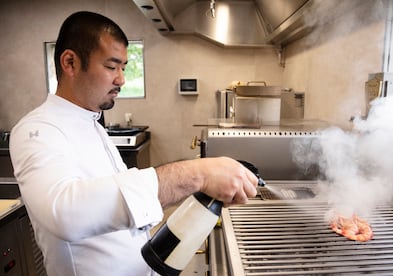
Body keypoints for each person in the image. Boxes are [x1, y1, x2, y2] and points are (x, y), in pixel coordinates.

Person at [9, 11, 258, 276]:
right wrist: (197, 174)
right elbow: (65, 212)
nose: (121, 79)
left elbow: (123, 200)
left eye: (124, 67)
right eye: (111, 66)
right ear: (70, 62)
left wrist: (198, 186)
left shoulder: (94, 126)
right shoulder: (36, 130)